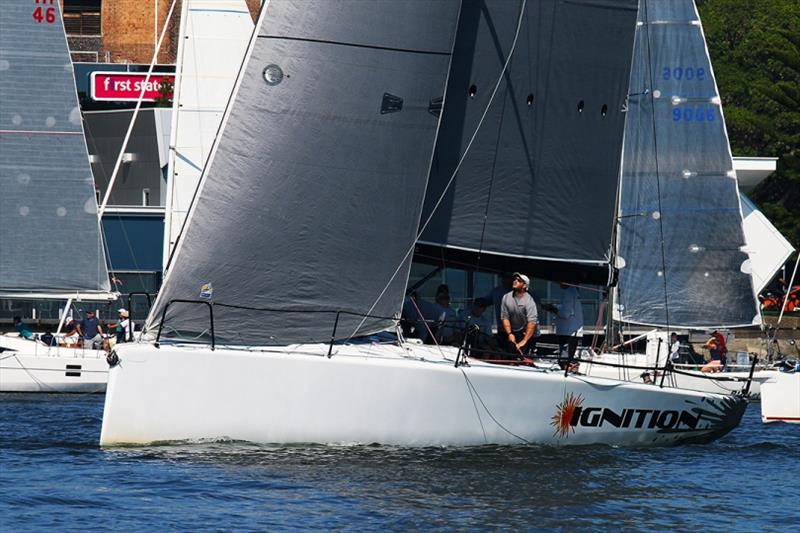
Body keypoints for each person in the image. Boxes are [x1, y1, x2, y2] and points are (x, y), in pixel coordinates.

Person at [542, 282, 583, 368]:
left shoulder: (569, 292)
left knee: (565, 361)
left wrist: (553, 309)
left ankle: (567, 373)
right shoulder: (574, 291)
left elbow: (565, 313)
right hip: (571, 330)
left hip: (568, 332)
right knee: (568, 358)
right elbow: (569, 309)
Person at [500, 272, 538, 359]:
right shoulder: (506, 297)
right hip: (511, 331)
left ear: (524, 285)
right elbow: (505, 317)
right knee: (509, 358)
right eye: (515, 279)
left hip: (526, 333)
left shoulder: (529, 301)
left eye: (519, 280)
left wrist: (524, 341)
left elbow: (532, 322)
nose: (515, 281)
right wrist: (509, 334)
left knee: (522, 358)